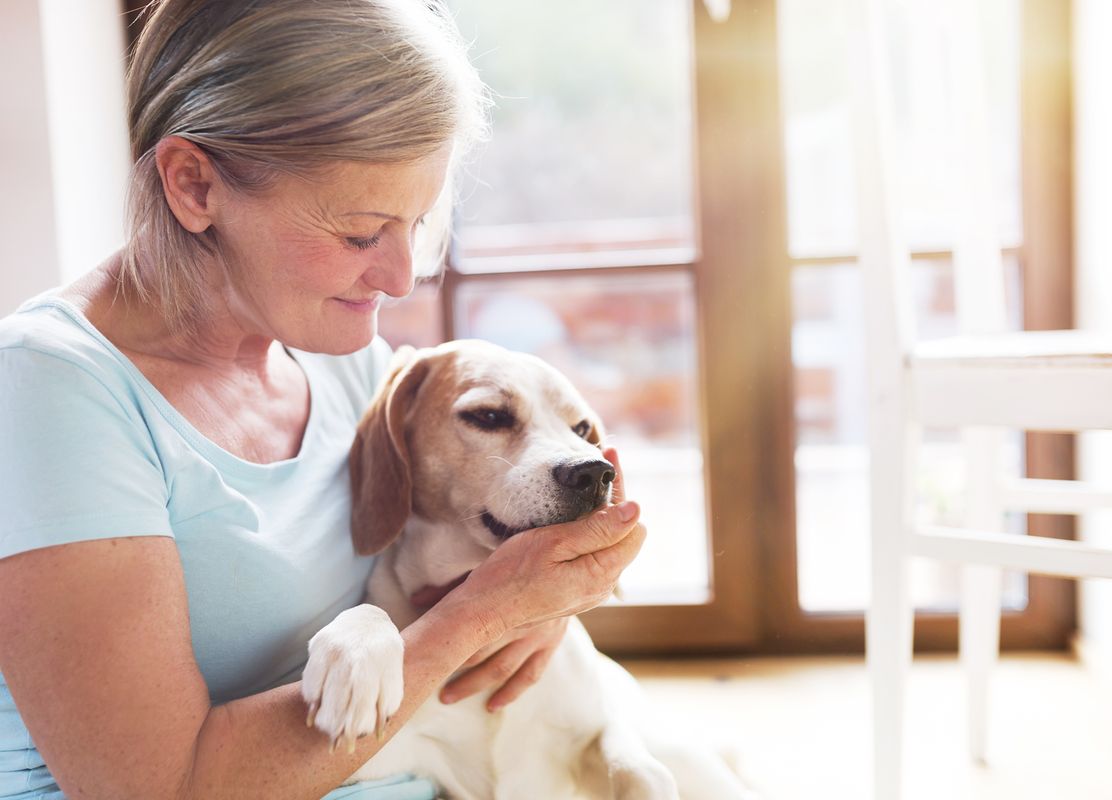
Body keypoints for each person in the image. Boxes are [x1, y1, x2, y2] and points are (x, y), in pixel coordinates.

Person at [0, 1, 647, 798]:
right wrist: (484, 613)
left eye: (416, 222)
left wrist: (540, 600)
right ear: (194, 185)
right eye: (360, 232)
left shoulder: (337, 358)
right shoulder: (48, 392)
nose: (402, 277)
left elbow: (447, 536)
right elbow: (157, 786)